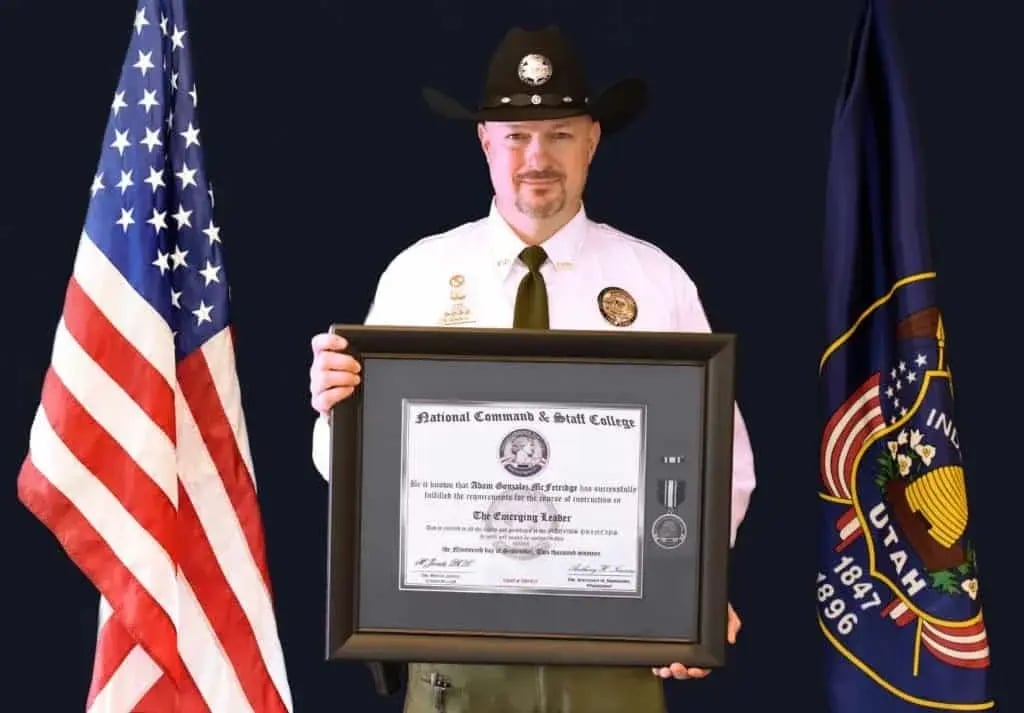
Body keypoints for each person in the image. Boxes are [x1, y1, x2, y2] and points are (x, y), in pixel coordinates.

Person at [308, 25, 756, 713]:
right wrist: (337, 408)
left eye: (560, 134)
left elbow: (722, 461)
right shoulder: (419, 275)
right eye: (516, 135)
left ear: (592, 141)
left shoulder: (654, 279)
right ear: (485, 141)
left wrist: (690, 593)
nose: (537, 158)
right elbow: (349, 470)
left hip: (613, 654)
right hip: (458, 653)